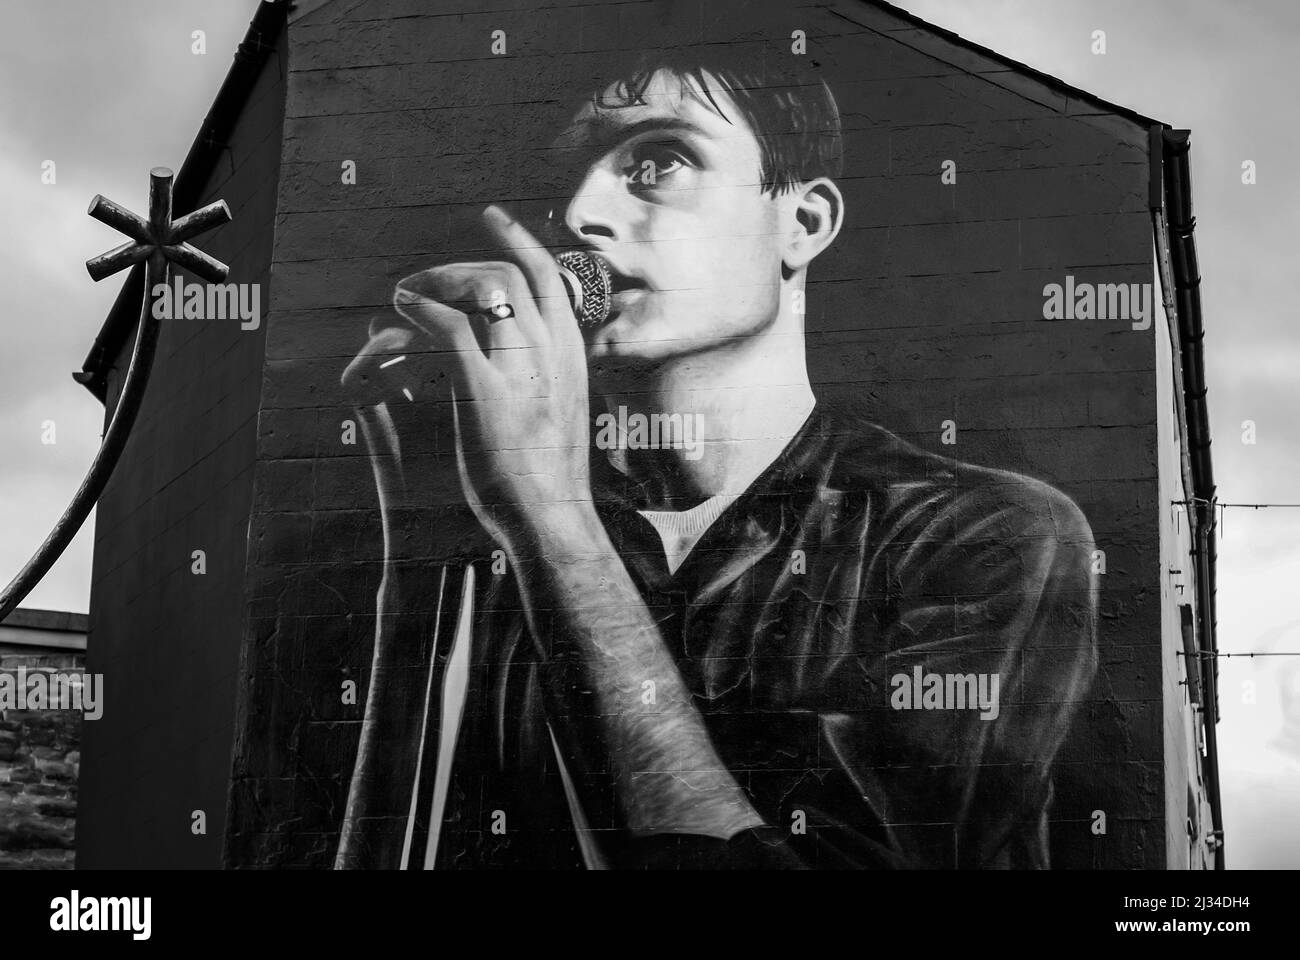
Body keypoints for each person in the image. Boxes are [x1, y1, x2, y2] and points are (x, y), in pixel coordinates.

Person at [336, 46, 1099, 870]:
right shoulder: (500, 533)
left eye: (658, 160)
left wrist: (553, 522)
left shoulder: (979, 535)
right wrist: (422, 559)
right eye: (561, 181)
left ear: (802, 224)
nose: (582, 211)